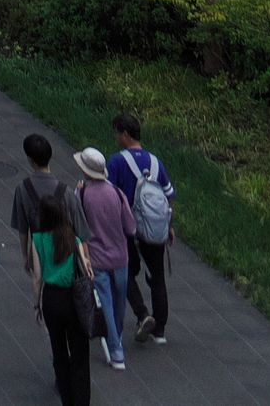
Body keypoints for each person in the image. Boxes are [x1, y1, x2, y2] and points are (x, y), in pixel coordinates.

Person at [12, 132, 91, 406]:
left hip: (51, 296)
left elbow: (23, 229)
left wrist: (25, 257)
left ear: (30, 160)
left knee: (58, 350)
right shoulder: (67, 193)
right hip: (74, 293)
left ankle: (65, 393)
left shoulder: (23, 191)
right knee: (80, 353)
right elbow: (83, 237)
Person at [108, 116, 174, 345]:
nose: (116, 137)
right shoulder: (156, 162)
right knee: (157, 276)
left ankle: (142, 314)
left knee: (124, 271)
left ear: (125, 134)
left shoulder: (116, 162)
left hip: (127, 230)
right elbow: (168, 195)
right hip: (155, 229)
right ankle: (160, 330)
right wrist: (169, 226)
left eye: (117, 133)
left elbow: (110, 196)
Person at [72, 148, 136, 369]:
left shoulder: (82, 194)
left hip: (97, 259)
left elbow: (77, 225)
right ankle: (117, 335)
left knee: (105, 302)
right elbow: (131, 227)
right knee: (120, 302)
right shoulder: (117, 193)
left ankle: (116, 350)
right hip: (120, 258)